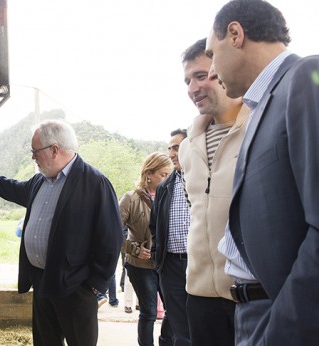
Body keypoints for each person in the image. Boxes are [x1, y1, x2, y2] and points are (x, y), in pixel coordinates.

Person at [206, 0, 319, 345]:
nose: (211, 70)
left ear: (236, 34)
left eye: (212, 54)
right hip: (256, 313)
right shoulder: (265, 105)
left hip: (288, 321)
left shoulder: (312, 76)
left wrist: (283, 335)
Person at [0, 119, 123, 346]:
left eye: (35, 151)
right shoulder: (40, 181)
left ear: (54, 150)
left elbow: (111, 239)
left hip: (75, 286)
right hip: (42, 281)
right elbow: (13, 187)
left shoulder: (94, 183)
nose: (33, 157)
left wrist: (94, 285)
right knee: (46, 341)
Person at [178, 38, 248, 345]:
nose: (193, 88)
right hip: (199, 296)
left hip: (249, 296)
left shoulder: (260, 127)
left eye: (201, 75)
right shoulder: (186, 148)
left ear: (222, 68)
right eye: (188, 80)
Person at [120, 152, 174, 346]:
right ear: (149, 174)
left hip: (167, 263)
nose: (168, 179)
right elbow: (111, 231)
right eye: (163, 174)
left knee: (173, 310)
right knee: (149, 312)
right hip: (140, 265)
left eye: (170, 174)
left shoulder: (171, 196)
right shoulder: (130, 198)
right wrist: (133, 249)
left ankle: (166, 342)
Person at [150, 129, 191, 346]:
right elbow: (154, 226)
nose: (171, 153)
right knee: (179, 325)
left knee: (200, 321)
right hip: (171, 266)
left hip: (199, 264)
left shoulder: (203, 177)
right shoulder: (164, 187)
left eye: (176, 147)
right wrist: (159, 261)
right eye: (169, 148)